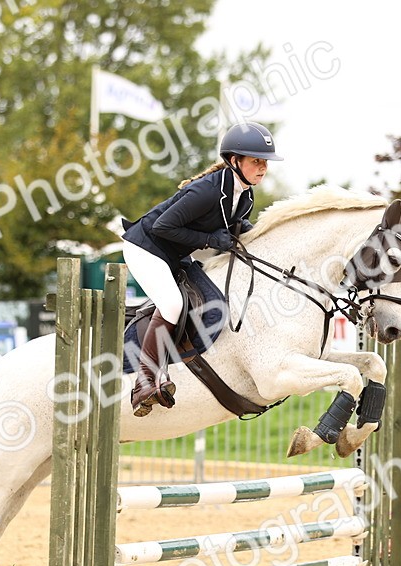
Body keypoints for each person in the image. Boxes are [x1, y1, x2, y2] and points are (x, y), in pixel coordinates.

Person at [120, 121, 281, 416]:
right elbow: (162, 226)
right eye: (256, 161)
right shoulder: (207, 191)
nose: (262, 168)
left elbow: (234, 227)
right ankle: (144, 381)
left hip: (174, 252)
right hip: (145, 248)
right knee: (172, 303)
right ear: (235, 160)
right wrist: (209, 239)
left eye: (265, 162)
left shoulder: (244, 196)